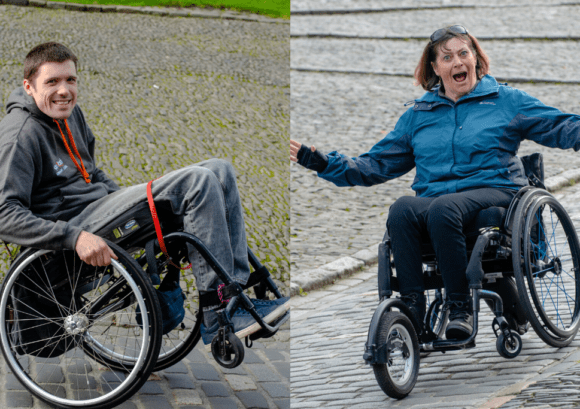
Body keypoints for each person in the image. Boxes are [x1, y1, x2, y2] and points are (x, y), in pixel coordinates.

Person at [291, 25, 580, 340]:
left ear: (475, 59)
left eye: (463, 53)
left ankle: (460, 308)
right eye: (447, 57)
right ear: (434, 67)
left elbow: (557, 124)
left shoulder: (505, 101)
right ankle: (411, 310)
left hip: (495, 192)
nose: (457, 62)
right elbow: (377, 164)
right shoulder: (420, 113)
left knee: (443, 208)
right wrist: (321, 162)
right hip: (440, 201)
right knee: (402, 209)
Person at [0, 42, 289, 346]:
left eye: (70, 80)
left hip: (98, 209)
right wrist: (74, 237)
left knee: (220, 169)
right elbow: (5, 215)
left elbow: (92, 172)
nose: (64, 90)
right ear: (28, 87)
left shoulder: (70, 115)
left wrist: (127, 203)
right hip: (72, 224)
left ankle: (237, 294)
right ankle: (218, 311)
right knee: (199, 181)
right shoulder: (19, 136)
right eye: (52, 81)